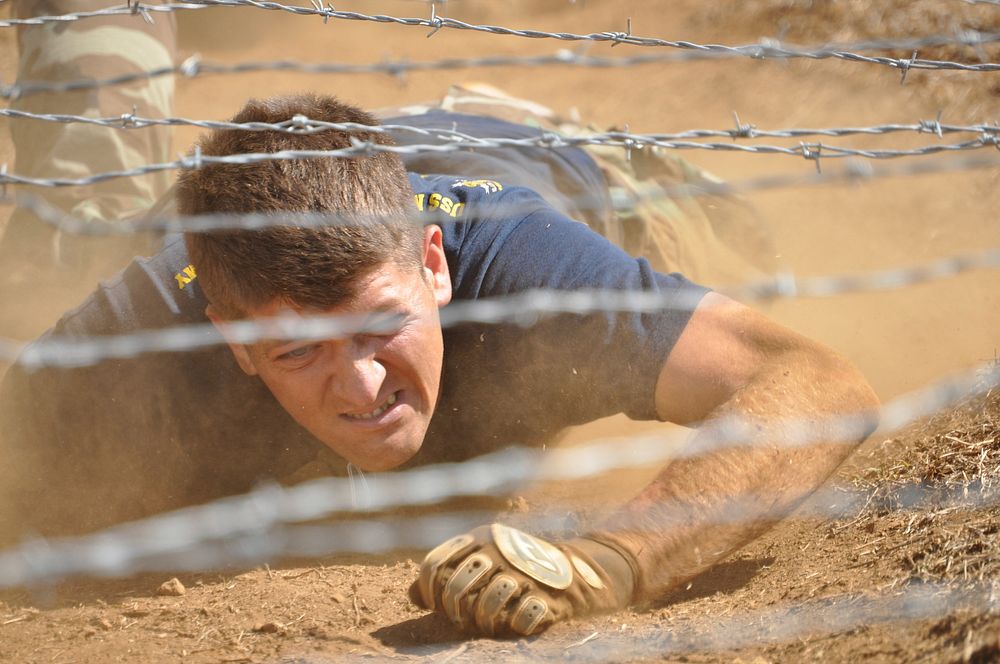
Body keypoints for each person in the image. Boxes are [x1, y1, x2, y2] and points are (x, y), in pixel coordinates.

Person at [0, 1, 879, 638]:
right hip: (241, 217)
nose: (363, 385)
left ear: (432, 266)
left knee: (740, 257)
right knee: (63, 243)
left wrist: (613, 557)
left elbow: (819, 385)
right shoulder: (142, 331)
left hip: (539, 158)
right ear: (231, 337)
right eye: (298, 351)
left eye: (380, 325)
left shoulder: (524, 270)